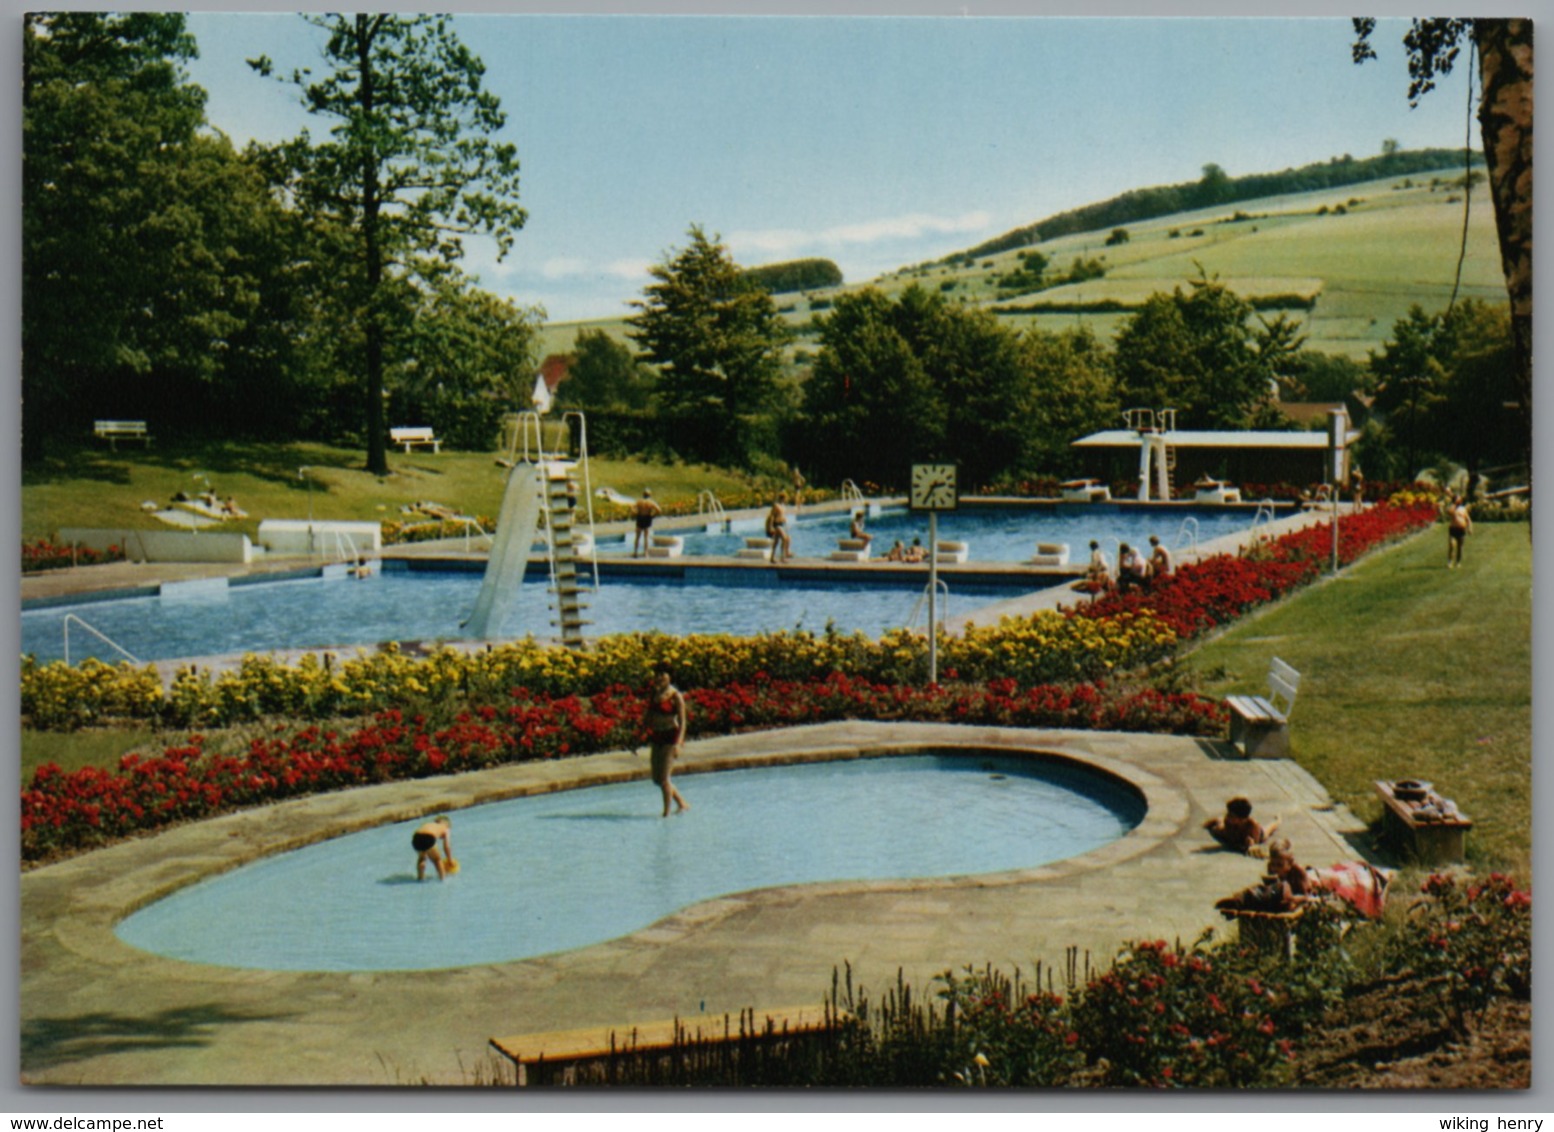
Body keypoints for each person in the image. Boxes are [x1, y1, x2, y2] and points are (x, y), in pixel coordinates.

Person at [644, 664, 690, 817]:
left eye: (663, 674)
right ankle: (682, 803)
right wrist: (640, 734)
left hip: (671, 737)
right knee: (657, 779)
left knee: (664, 779)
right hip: (657, 736)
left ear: (669, 676)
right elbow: (648, 715)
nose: (659, 677)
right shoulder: (654, 694)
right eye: (657, 674)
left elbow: (683, 721)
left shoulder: (675, 695)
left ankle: (666, 813)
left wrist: (679, 743)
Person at [1203, 796, 1280, 855]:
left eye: (1232, 816)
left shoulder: (1253, 826)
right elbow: (1227, 833)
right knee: (1217, 827)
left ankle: (1278, 819)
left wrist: (1249, 843)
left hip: (1259, 834)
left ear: (1242, 819)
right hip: (1235, 832)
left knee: (1270, 828)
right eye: (1228, 814)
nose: (1228, 817)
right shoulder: (1228, 820)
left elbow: (1254, 845)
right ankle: (1218, 820)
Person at [412, 815, 453, 881]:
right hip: (428, 837)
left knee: (422, 858)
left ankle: (420, 878)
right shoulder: (445, 828)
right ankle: (443, 879)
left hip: (416, 837)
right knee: (437, 859)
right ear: (447, 824)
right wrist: (449, 860)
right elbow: (447, 847)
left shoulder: (429, 824)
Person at [631, 489, 661, 558]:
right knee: (646, 537)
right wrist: (653, 515)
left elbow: (632, 508)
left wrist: (636, 513)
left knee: (637, 537)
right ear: (650, 495)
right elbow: (659, 510)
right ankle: (646, 553)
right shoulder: (651, 502)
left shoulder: (639, 501)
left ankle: (635, 552)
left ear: (643, 494)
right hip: (647, 518)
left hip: (640, 518)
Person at [1446, 494, 1472, 568]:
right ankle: (1450, 561)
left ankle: (1458, 562)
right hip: (1453, 529)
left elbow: (1468, 519)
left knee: (1460, 547)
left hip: (1461, 529)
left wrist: (1469, 528)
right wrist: (1454, 505)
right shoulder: (1452, 508)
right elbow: (1449, 512)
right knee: (1451, 544)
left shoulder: (1463, 509)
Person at [765, 492, 792, 563]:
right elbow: (772, 516)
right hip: (777, 524)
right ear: (782, 498)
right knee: (784, 538)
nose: (786, 500)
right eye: (785, 498)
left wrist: (786, 524)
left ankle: (772, 557)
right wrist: (770, 526)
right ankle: (782, 557)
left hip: (782, 524)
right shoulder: (776, 505)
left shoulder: (783, 506)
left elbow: (783, 516)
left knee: (776, 542)